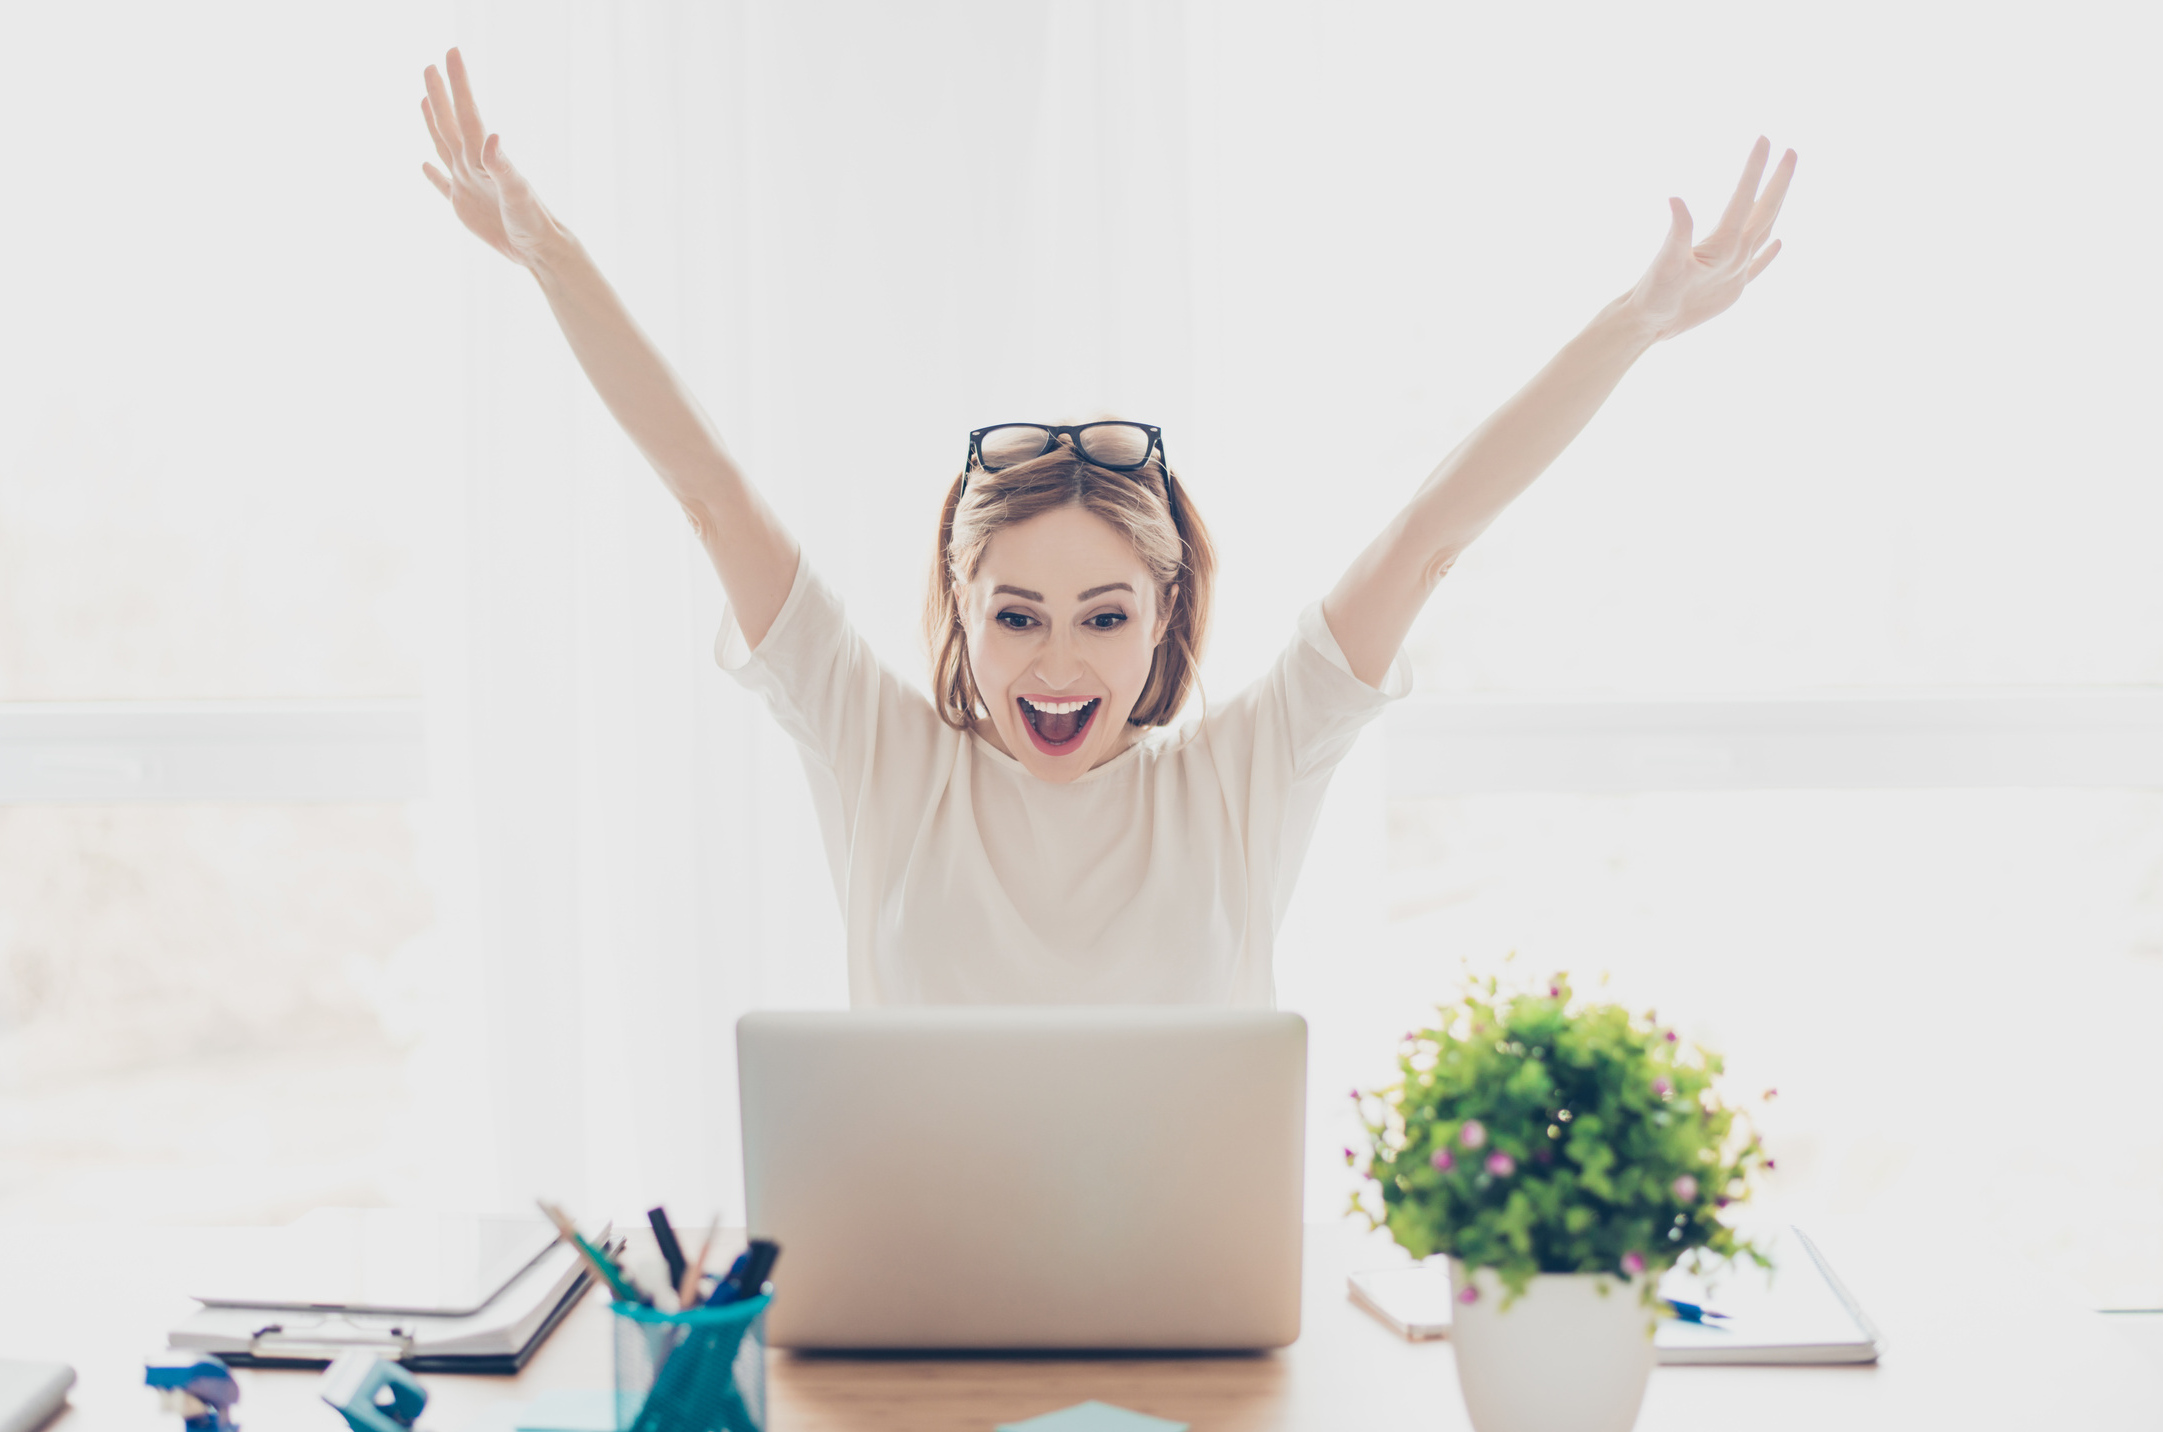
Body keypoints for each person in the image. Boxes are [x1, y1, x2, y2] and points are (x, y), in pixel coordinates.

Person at [418, 48, 1795, 1008]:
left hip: (1185, 1326)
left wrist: (1639, 323)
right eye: (1014, 615)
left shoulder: (1246, 775)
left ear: (1164, 617)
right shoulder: (879, 750)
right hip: (920, 1313)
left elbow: (1430, 535)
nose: (1057, 664)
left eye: (1103, 616)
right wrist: (545, 249)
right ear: (960, 613)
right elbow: (709, 485)